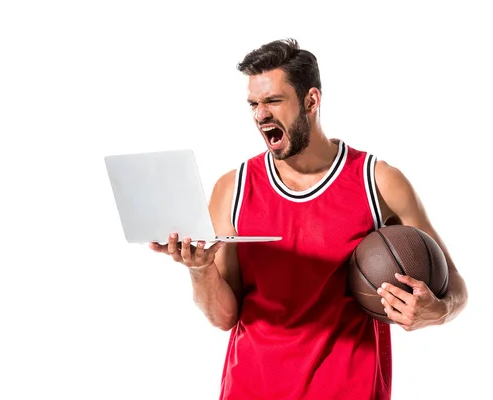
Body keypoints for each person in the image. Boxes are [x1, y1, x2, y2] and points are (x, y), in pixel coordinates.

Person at [149, 38, 468, 400]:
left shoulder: (377, 181)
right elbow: (224, 317)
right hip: (250, 389)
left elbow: (454, 283)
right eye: (253, 103)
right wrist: (199, 270)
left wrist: (438, 310)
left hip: (349, 390)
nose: (260, 114)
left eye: (272, 101)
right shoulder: (232, 189)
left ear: (311, 101)